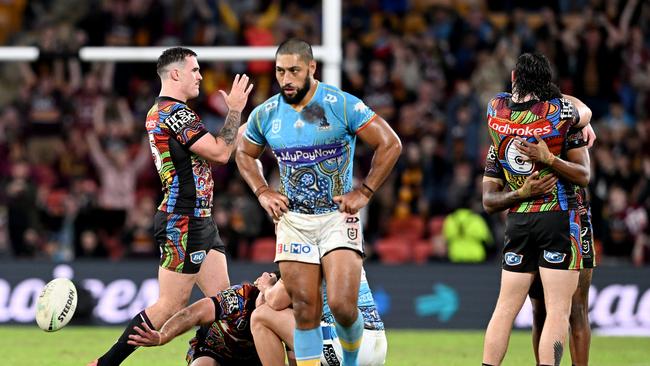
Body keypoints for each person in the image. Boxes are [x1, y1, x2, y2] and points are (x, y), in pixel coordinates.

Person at [236, 39, 401, 366]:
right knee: (305, 309)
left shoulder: (340, 105)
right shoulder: (266, 114)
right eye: (281, 71)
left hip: (337, 216)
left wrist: (364, 191)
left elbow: (390, 144)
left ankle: (351, 362)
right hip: (294, 221)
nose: (287, 79)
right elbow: (243, 152)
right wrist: (262, 191)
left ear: (312, 68)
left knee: (341, 304)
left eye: (294, 71)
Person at [89, 47, 253, 366]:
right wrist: (234, 111)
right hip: (184, 220)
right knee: (169, 306)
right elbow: (220, 153)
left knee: (221, 305)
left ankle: (205, 359)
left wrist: (243, 128)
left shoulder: (158, 112)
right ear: (175, 74)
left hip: (198, 220)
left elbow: (216, 151)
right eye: (194, 70)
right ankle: (105, 363)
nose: (200, 76)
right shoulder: (175, 114)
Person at [481, 52, 592, 366]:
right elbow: (582, 114)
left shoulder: (494, 109)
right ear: (547, 86)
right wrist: (553, 153)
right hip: (558, 216)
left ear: (514, 77)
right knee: (559, 310)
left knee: (505, 308)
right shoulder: (558, 114)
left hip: (519, 219)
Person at [525, 126, 596, 366]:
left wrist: (551, 159)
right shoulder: (517, 120)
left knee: (576, 310)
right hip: (533, 219)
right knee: (539, 311)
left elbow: (584, 175)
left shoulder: (569, 121)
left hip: (574, 218)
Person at [127, 271, 280, 366]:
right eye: (263, 296)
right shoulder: (238, 297)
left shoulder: (282, 312)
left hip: (254, 357)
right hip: (213, 349)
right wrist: (163, 336)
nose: (264, 302)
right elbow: (193, 314)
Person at [251, 268, 387, 366]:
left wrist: (266, 287)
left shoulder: (304, 249)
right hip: (377, 344)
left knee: (261, 315)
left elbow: (276, 301)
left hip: (346, 345)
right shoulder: (340, 245)